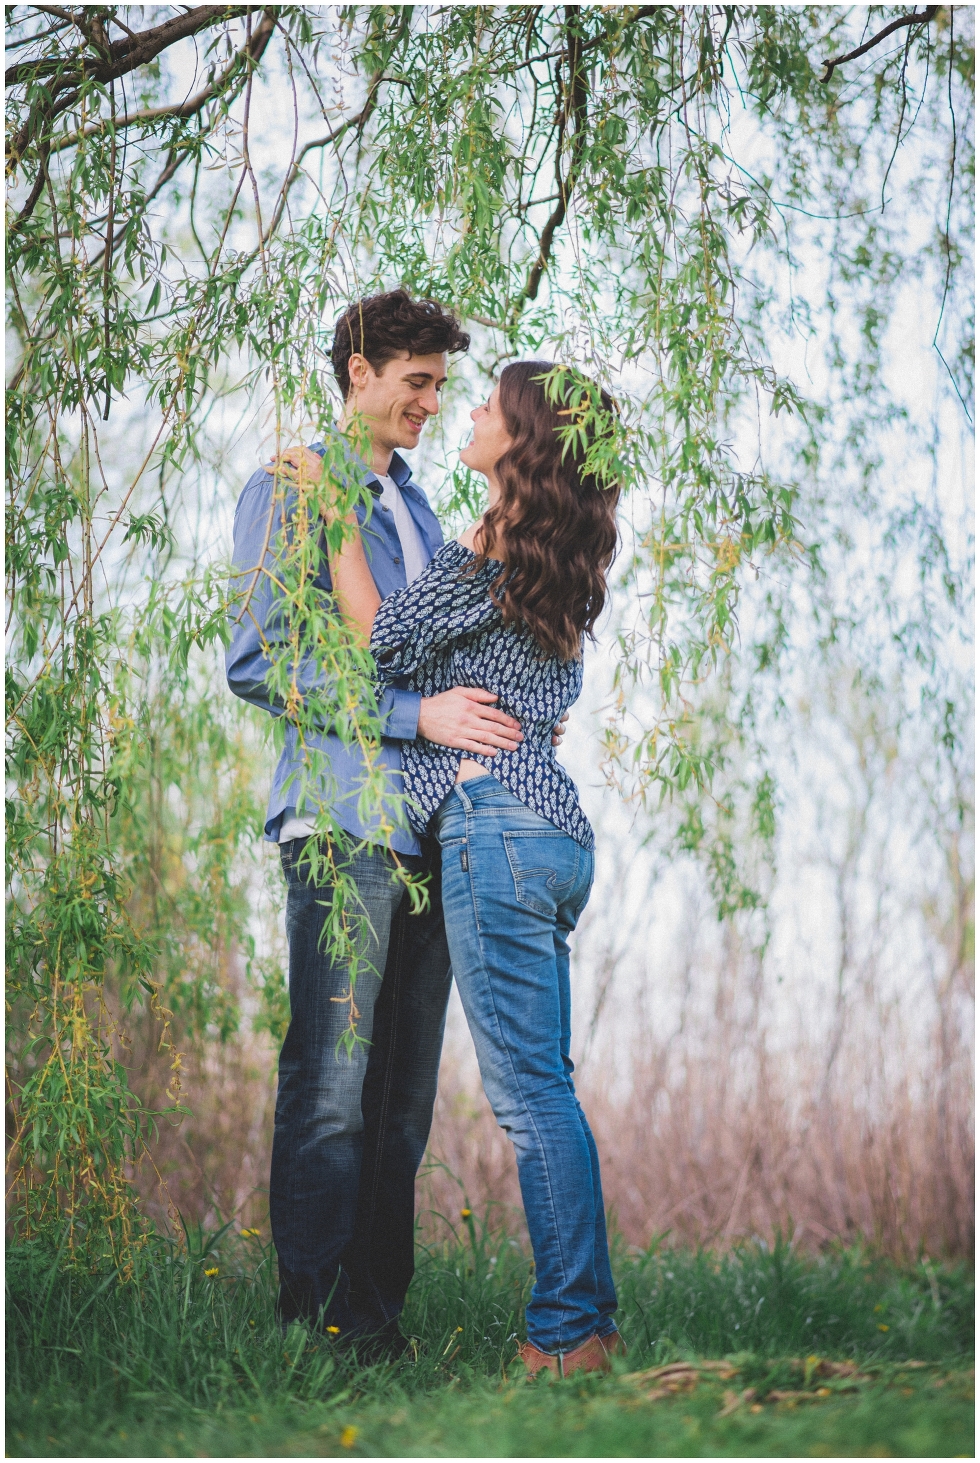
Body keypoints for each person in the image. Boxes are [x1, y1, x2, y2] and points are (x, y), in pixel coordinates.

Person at [296, 360, 627, 1377]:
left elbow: (382, 639)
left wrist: (332, 514)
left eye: (486, 404)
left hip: (492, 825)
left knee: (529, 1097)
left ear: (520, 442)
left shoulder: (486, 544)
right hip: (554, 833)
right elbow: (540, 696)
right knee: (549, 1088)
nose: (468, 412)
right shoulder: (558, 560)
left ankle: (566, 1331)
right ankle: (590, 1321)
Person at [226, 290, 537, 1357]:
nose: (428, 402)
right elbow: (261, 659)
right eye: (415, 381)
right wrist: (415, 714)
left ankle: (374, 1323)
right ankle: (306, 1326)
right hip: (342, 822)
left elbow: (425, 647)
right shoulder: (288, 490)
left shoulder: (417, 511)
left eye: (442, 386)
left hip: (432, 835)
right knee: (330, 1088)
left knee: (401, 1102)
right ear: (356, 372)